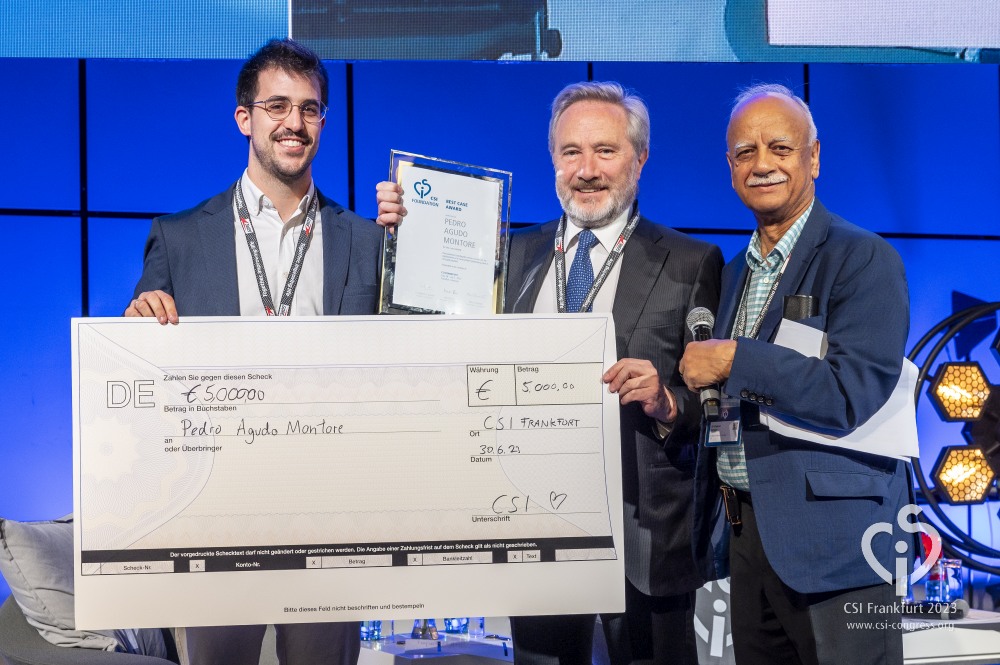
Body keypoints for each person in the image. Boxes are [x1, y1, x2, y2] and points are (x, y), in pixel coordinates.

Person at [377, 81, 723, 665]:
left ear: (639, 158)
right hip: (532, 527)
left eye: (605, 151)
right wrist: (406, 239)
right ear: (552, 159)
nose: (587, 170)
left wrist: (666, 402)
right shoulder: (508, 255)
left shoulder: (691, 262)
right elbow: (433, 340)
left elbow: (711, 403)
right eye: (571, 152)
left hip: (643, 537)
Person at [126, 38, 381, 665]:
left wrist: (418, 243)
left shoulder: (368, 240)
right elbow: (145, 360)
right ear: (245, 118)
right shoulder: (180, 238)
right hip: (218, 509)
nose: (295, 122)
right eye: (277, 106)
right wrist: (137, 324)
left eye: (310, 108)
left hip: (332, 508)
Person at [680, 83, 912, 665]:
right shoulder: (732, 273)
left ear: (814, 157)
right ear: (730, 167)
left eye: (780, 148)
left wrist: (734, 359)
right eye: (745, 152)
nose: (762, 164)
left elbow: (850, 392)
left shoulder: (862, 257)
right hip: (748, 534)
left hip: (842, 546)